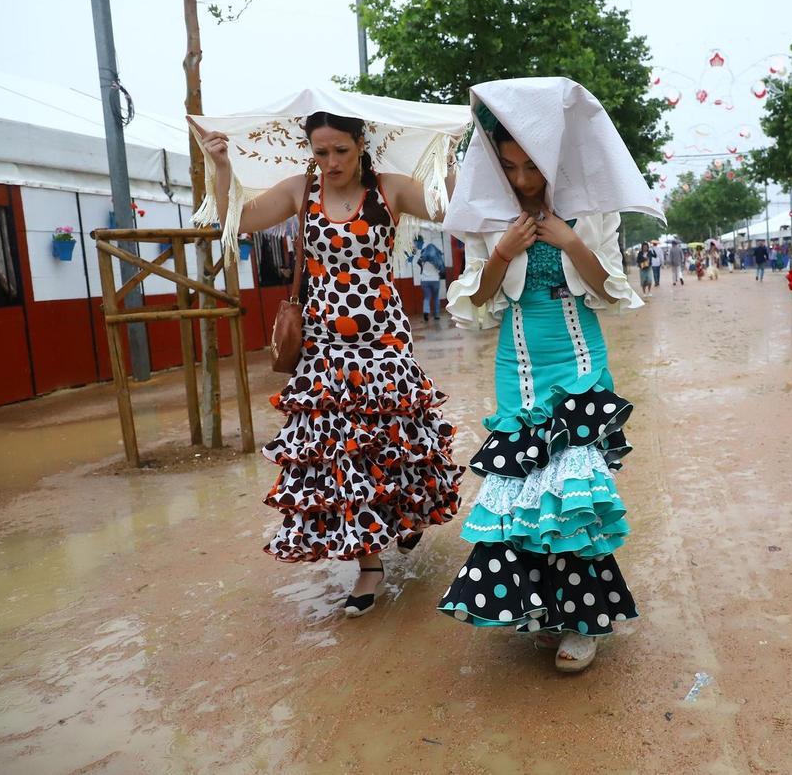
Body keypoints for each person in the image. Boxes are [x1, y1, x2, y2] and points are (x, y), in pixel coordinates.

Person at [195, 110, 465, 616]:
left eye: (340, 150)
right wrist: (223, 167)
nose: (331, 161)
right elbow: (240, 219)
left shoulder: (390, 189)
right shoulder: (302, 190)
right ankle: (368, 564)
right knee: (341, 453)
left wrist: (447, 160)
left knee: (391, 441)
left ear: (361, 143)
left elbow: (453, 212)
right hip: (322, 347)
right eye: (321, 152)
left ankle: (404, 519)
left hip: (384, 342)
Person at [440, 78, 651, 672]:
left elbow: (612, 291)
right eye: (509, 167)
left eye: (532, 167)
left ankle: (584, 622)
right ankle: (542, 611)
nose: (523, 180)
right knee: (526, 493)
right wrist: (503, 252)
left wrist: (570, 241)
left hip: (582, 363)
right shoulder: (488, 215)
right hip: (518, 369)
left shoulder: (591, 208)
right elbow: (477, 308)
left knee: (573, 493)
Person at [417, 241, 445, 321]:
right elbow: (442, 269)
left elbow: (419, 265)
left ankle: (426, 312)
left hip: (425, 280)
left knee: (427, 298)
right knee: (436, 298)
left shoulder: (423, 258)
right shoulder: (437, 258)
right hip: (435, 280)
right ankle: (436, 314)